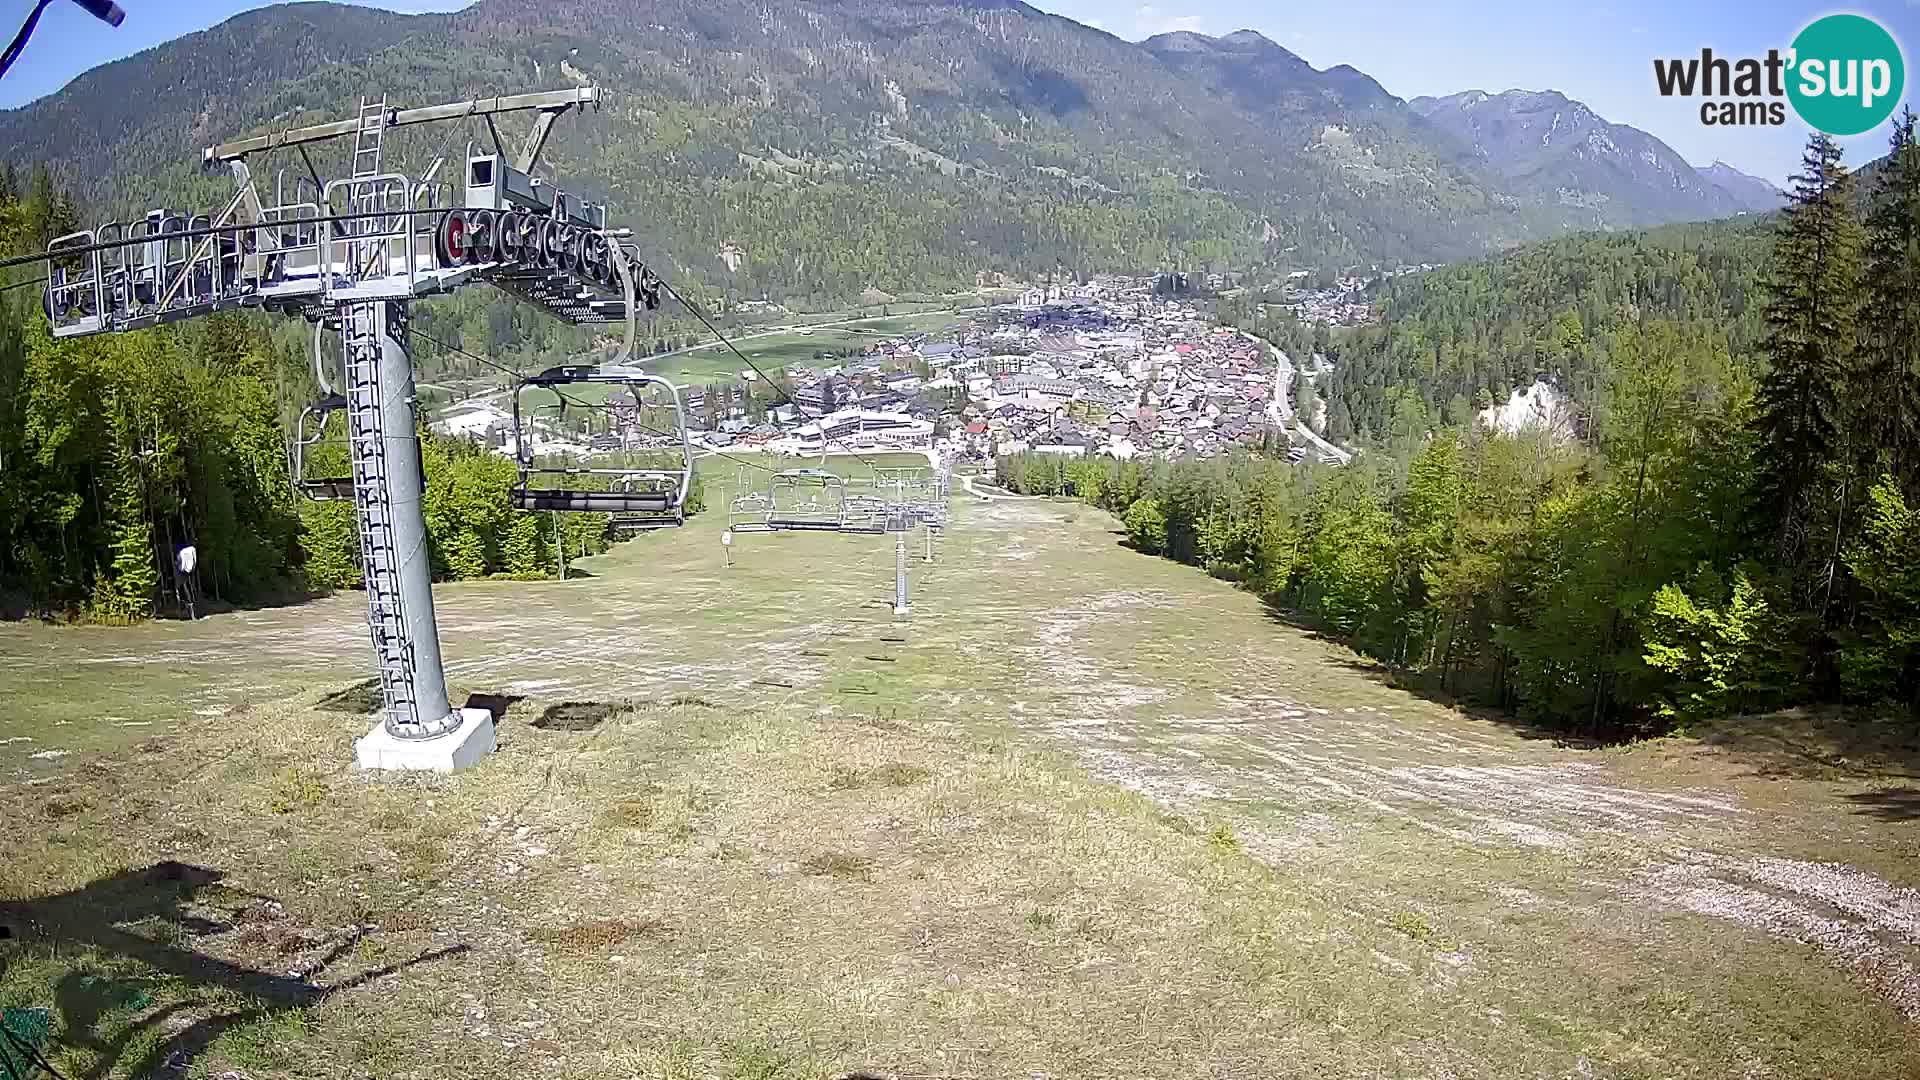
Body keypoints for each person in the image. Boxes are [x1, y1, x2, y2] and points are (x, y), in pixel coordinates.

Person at [176, 544, 198, 620]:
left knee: (185, 590)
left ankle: (187, 611)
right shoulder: (192, 549)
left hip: (183, 572)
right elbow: (194, 561)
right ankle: (191, 613)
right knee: (188, 591)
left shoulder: (182, 551)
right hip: (189, 571)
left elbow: (180, 564)